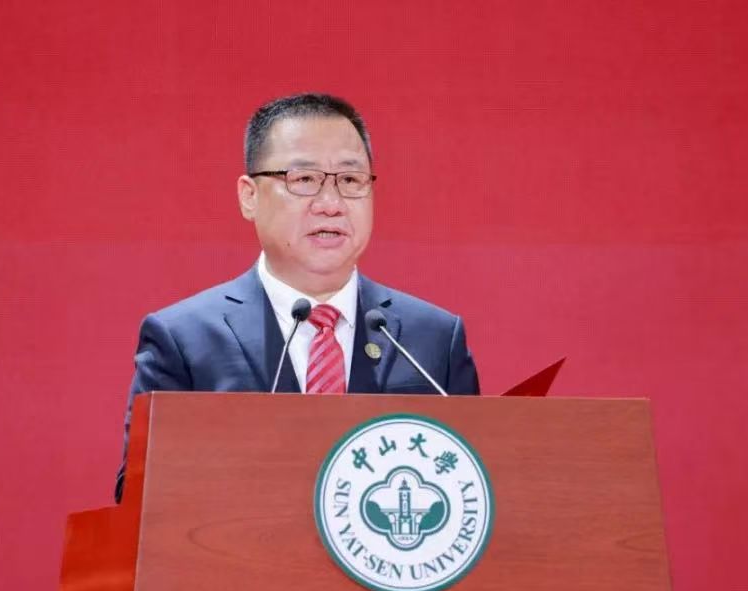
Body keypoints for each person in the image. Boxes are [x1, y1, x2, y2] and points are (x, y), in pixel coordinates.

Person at [115, 93, 479, 502]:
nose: (331, 204)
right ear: (249, 196)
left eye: (350, 180)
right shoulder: (183, 340)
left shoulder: (432, 340)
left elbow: (472, 486)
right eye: (304, 180)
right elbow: (140, 498)